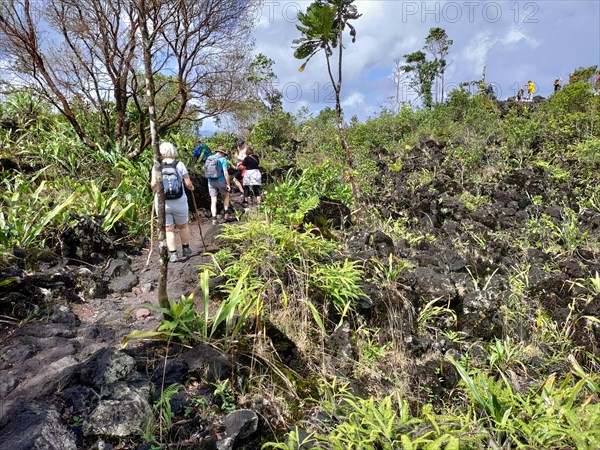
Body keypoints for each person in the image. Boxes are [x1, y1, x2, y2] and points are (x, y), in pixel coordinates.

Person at [150, 142, 194, 262]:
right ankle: (185, 249)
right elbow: (188, 183)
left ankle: (173, 254)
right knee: (183, 226)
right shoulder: (180, 165)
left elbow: (153, 185)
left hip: (162, 202)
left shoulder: (157, 166)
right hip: (179, 200)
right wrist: (191, 188)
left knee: (168, 228)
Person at [206, 146, 231, 225]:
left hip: (210, 181)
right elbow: (225, 172)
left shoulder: (209, 158)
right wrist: (228, 184)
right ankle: (226, 214)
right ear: (223, 153)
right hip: (220, 180)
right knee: (226, 195)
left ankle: (214, 219)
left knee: (213, 200)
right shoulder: (223, 159)